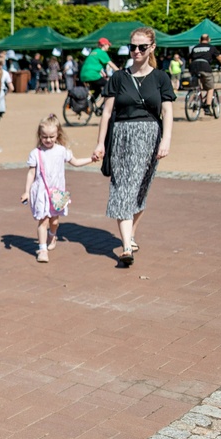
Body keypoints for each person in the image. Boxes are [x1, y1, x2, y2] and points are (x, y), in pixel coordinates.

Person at [92, 27, 175, 266]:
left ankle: (131, 235)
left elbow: (167, 111)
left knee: (140, 190)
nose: (136, 51)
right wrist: (100, 144)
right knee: (123, 189)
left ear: (152, 48)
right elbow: (106, 113)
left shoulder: (161, 78)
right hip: (123, 137)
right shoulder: (118, 77)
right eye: (132, 47)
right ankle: (126, 247)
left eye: (141, 47)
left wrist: (166, 140)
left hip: (150, 137)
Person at [21, 114, 95, 263]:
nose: (48, 140)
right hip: (41, 192)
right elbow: (31, 173)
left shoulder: (62, 151)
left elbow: (75, 162)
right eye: (44, 137)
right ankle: (42, 249)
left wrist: (91, 159)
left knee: (54, 222)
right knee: (43, 221)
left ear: (57, 135)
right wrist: (26, 191)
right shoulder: (36, 153)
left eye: (51, 137)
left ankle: (52, 235)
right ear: (39, 136)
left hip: (58, 193)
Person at [189, 34, 221, 114]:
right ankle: (207, 107)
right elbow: (220, 58)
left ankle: (194, 99)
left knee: (197, 86)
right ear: (209, 39)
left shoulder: (195, 48)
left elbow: (190, 59)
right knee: (210, 88)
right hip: (205, 67)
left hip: (194, 67)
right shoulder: (211, 47)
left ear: (200, 40)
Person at [80, 38, 119, 103]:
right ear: (104, 45)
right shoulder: (102, 52)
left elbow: (94, 64)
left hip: (83, 74)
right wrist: (121, 72)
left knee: (97, 90)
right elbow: (111, 64)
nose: (109, 46)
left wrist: (103, 73)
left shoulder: (94, 51)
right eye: (108, 45)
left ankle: (89, 105)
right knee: (109, 85)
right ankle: (105, 105)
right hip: (93, 75)